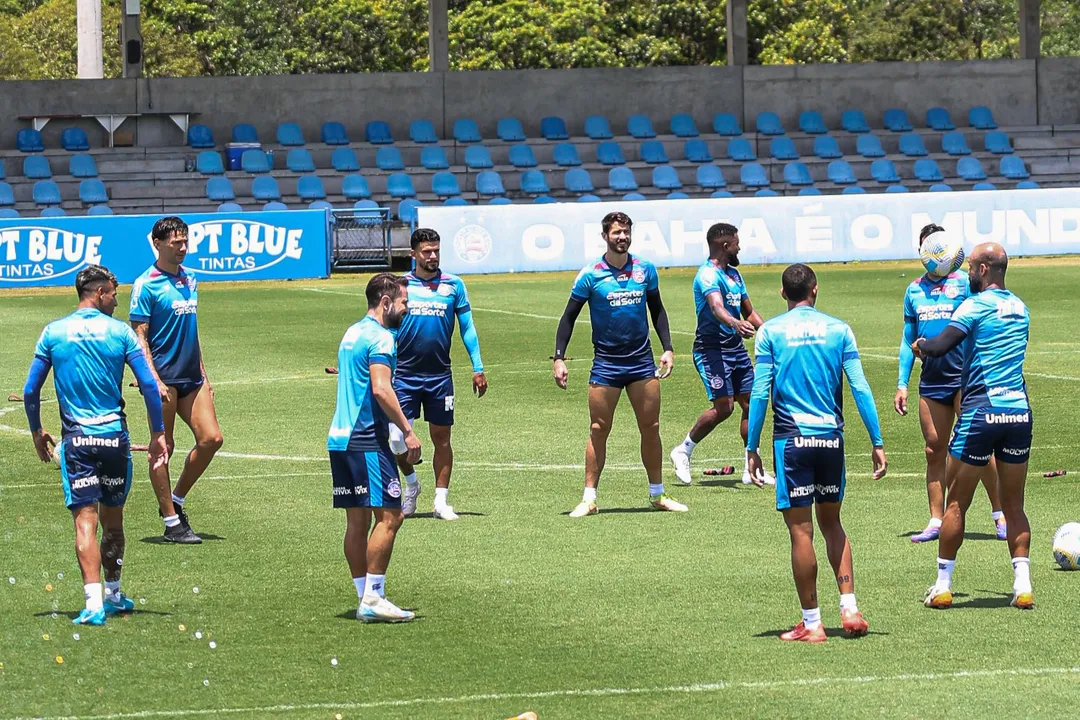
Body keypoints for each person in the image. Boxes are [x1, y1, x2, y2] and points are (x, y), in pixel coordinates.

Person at [746, 264, 887, 643]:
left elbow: (760, 393)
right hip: (831, 439)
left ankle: (812, 623)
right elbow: (860, 387)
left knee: (800, 530)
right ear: (815, 290)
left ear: (782, 294)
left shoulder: (770, 332)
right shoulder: (839, 329)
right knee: (832, 524)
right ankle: (850, 607)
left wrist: (752, 446)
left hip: (792, 441)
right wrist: (876, 441)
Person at [23, 265, 169, 625]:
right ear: (100, 292)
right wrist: (157, 433)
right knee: (113, 524)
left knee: (84, 524)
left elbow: (30, 390)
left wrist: (37, 431)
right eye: (114, 294)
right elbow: (150, 386)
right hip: (113, 440)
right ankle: (115, 594)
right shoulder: (119, 333)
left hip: (78, 442)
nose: (117, 302)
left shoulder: (53, 332)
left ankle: (92, 604)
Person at [916, 243, 1033, 610]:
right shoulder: (1021, 308)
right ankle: (1023, 586)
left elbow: (941, 345)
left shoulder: (975, 305)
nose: (966, 272)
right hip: (1018, 413)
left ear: (983, 269)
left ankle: (943, 585)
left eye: (970, 267)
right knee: (1014, 505)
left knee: (957, 503)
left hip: (981, 412)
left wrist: (921, 345)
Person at [553, 211, 686, 517]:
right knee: (598, 429)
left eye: (626, 232)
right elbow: (568, 317)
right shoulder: (590, 274)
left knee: (651, 427)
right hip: (607, 364)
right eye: (616, 233)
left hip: (641, 362)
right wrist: (559, 357)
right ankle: (589, 499)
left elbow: (658, 310)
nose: (622, 237)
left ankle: (657, 494)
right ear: (605, 236)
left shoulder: (645, 269)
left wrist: (668, 349)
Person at [895, 224, 1005, 543]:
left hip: (965, 378)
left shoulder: (965, 283)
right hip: (931, 380)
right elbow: (907, 340)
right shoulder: (914, 290)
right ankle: (935, 519)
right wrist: (902, 382)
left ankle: (999, 514)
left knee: (978, 447)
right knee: (933, 449)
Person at [329, 273, 423, 623]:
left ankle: (364, 598)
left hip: (340, 439)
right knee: (391, 515)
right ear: (386, 302)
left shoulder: (352, 332)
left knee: (356, 520)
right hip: (366, 438)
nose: (405, 309)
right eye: (402, 303)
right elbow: (382, 389)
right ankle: (374, 596)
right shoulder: (382, 338)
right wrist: (407, 429)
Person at [129, 216, 221, 543]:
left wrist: (205, 376)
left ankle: (176, 500)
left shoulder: (191, 279)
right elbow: (139, 335)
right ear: (158, 243)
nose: (183, 247)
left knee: (212, 439)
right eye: (176, 243)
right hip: (163, 379)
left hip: (192, 377)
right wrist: (152, 378)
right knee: (163, 447)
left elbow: (191, 333)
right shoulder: (146, 284)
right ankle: (171, 523)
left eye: (185, 241)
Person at [388, 228, 487, 521]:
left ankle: (441, 501)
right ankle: (411, 484)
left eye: (436, 251)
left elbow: (467, 327)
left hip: (439, 376)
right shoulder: (400, 285)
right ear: (413, 254)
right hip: (403, 375)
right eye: (426, 252)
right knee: (395, 439)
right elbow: (386, 328)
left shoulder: (453, 285)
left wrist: (477, 366)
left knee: (442, 437)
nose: (432, 256)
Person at [669, 223, 775, 487]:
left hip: (735, 349)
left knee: (752, 403)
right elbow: (716, 308)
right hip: (710, 350)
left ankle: (751, 465)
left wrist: (773, 332)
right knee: (724, 407)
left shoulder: (735, 276)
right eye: (737, 243)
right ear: (726, 246)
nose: (740, 247)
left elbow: (749, 312)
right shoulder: (707, 275)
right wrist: (735, 324)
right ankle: (683, 450)